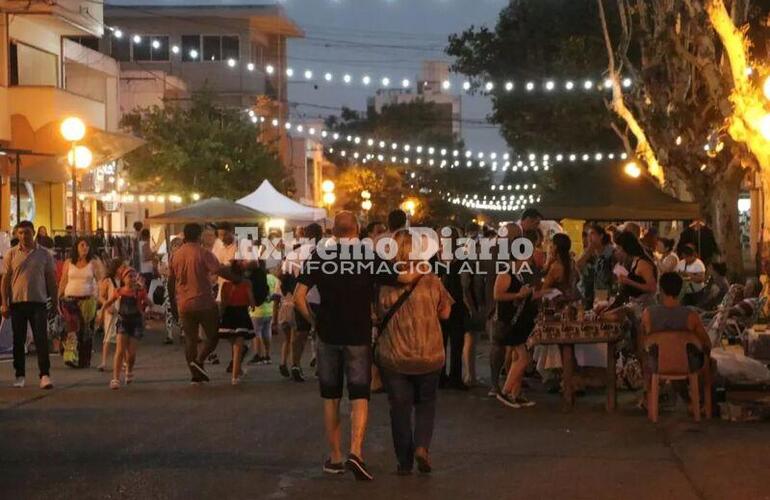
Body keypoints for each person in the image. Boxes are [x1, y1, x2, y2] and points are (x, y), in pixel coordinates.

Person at [294, 211, 411, 481]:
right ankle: (356, 451)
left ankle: (335, 457)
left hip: (327, 334)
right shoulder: (367, 255)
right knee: (360, 394)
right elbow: (400, 278)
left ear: (334, 232)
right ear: (357, 230)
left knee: (330, 395)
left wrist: (313, 321)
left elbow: (299, 296)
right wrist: (422, 270)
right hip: (357, 334)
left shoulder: (320, 256)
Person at [376, 229, 453, 475]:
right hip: (429, 353)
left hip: (395, 355)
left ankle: (404, 461)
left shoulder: (385, 282)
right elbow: (446, 313)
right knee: (426, 403)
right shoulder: (431, 279)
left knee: (399, 408)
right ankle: (421, 447)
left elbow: (377, 314)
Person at [168, 223, 238, 384]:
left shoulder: (176, 255)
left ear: (185, 235)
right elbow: (219, 270)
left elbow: (171, 282)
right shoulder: (203, 253)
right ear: (199, 235)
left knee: (190, 340)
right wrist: (238, 279)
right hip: (204, 302)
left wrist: (173, 302)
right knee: (213, 336)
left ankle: (195, 374)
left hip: (184, 304)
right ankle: (199, 361)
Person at [641, 272, 711, 409]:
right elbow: (706, 343)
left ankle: (648, 397)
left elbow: (644, 341)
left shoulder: (648, 313)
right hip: (688, 365)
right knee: (706, 362)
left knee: (653, 357)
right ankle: (698, 402)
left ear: (660, 290)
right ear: (680, 291)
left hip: (657, 364)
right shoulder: (691, 315)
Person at [1, 220, 58, 389]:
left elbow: (51, 280)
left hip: (38, 302)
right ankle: (19, 374)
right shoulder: (11, 254)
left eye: (26, 232)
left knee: (41, 339)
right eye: (20, 233)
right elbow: (5, 281)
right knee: (18, 340)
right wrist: (4, 303)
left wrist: (55, 302)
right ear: (16, 234)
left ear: (33, 233)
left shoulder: (45, 254)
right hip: (17, 303)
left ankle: (45, 375)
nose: (23, 236)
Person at [493, 230, 539, 408]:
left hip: (519, 321)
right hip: (508, 322)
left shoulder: (520, 273)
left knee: (518, 357)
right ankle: (505, 392)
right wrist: (519, 294)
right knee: (524, 358)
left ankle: (515, 393)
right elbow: (497, 295)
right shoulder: (506, 272)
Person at [285, 223, 323, 382]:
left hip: (300, 297)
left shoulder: (294, 253)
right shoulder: (323, 253)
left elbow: (285, 275)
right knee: (322, 333)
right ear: (320, 235)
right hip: (320, 298)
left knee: (300, 333)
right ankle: (321, 366)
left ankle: (295, 364)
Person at [58, 237, 102, 369]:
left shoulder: (93, 263)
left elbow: (100, 281)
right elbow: (63, 281)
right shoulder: (68, 262)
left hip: (87, 300)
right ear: (76, 247)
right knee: (72, 327)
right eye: (82, 245)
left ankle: (84, 360)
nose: (85, 248)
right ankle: (69, 356)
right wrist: (57, 298)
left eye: (87, 246)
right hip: (70, 300)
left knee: (86, 331)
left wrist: (99, 298)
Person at [103, 267, 150, 389]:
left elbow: (150, 303)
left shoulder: (140, 291)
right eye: (129, 276)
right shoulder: (119, 291)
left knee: (131, 353)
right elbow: (108, 302)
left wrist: (146, 310)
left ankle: (129, 370)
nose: (132, 279)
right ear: (123, 279)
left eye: (134, 276)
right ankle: (115, 378)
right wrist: (103, 310)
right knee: (120, 350)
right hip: (123, 321)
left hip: (136, 322)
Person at [219, 262, 256, 385]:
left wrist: (220, 316)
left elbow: (223, 303)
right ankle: (235, 376)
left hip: (229, 315)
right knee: (238, 346)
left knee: (234, 346)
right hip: (241, 314)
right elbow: (252, 302)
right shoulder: (247, 283)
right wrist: (252, 304)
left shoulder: (225, 285)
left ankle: (237, 371)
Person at [576, 224, 614, 308]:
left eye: (592, 234)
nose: (589, 237)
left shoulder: (610, 251)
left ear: (601, 236)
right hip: (588, 292)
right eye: (588, 234)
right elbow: (578, 266)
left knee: (600, 314)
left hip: (604, 290)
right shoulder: (588, 253)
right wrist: (589, 251)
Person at [97, 259, 123, 371]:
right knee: (108, 337)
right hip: (111, 312)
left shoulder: (123, 281)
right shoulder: (108, 281)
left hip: (122, 312)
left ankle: (124, 362)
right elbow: (101, 296)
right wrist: (107, 306)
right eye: (122, 267)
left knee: (122, 337)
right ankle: (103, 361)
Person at [250, 266, 280, 365]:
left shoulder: (257, 278)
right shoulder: (275, 279)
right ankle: (267, 355)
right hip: (270, 310)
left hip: (257, 311)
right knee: (267, 333)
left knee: (256, 334)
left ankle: (259, 355)